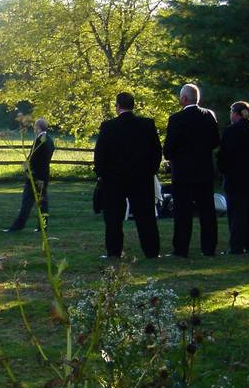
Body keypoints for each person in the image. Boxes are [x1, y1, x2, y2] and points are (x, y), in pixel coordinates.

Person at [94, 92, 162, 259]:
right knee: (145, 216)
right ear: (133, 105)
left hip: (114, 179)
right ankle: (151, 251)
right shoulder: (147, 125)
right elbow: (156, 152)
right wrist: (150, 171)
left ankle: (114, 251)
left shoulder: (108, 126)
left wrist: (101, 174)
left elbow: (100, 154)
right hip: (141, 178)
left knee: (113, 218)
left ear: (117, 106)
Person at [163, 84, 220, 257]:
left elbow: (169, 149)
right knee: (207, 211)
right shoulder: (209, 116)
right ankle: (209, 247)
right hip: (203, 170)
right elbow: (215, 141)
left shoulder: (177, 119)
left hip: (183, 172)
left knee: (182, 212)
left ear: (184, 98)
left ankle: (181, 248)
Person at [217, 101, 249, 254]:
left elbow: (223, 156)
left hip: (235, 178)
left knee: (237, 214)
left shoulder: (230, 132)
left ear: (235, 113)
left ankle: (237, 246)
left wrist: (223, 171)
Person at [5, 118, 55, 233]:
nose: (34, 129)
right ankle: (43, 226)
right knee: (42, 202)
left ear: (37, 127)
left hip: (36, 176)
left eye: (35, 126)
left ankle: (18, 226)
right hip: (43, 175)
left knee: (27, 202)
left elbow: (36, 159)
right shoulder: (49, 140)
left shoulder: (41, 141)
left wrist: (28, 169)